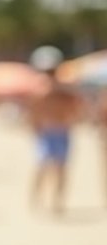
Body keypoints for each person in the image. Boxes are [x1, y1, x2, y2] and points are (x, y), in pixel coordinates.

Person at [30, 70, 83, 213]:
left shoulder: (65, 94)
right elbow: (34, 112)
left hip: (61, 131)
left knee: (61, 168)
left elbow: (77, 107)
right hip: (48, 132)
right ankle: (36, 198)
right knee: (42, 166)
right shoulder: (42, 93)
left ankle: (57, 202)